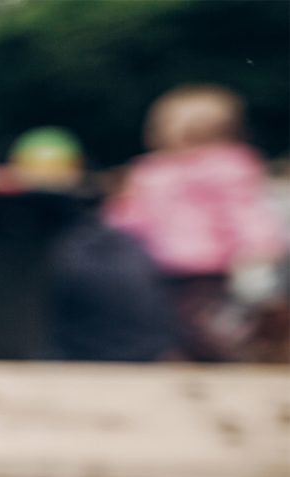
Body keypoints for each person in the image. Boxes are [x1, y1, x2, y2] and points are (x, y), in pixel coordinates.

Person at [103, 84, 288, 361]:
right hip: (175, 264)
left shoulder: (221, 167)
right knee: (193, 320)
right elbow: (132, 214)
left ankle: (222, 356)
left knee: (202, 320)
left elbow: (242, 212)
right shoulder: (157, 171)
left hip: (200, 265)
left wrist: (259, 247)